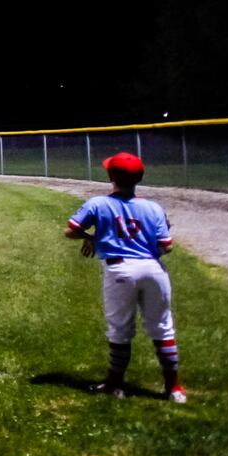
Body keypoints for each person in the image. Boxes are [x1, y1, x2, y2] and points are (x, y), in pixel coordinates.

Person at [65, 152, 186, 403]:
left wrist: (92, 238)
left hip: (120, 270)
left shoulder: (98, 203)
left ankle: (115, 384)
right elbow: (167, 245)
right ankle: (174, 389)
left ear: (111, 176)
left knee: (120, 330)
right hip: (153, 270)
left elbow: (71, 230)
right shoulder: (153, 207)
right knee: (163, 328)